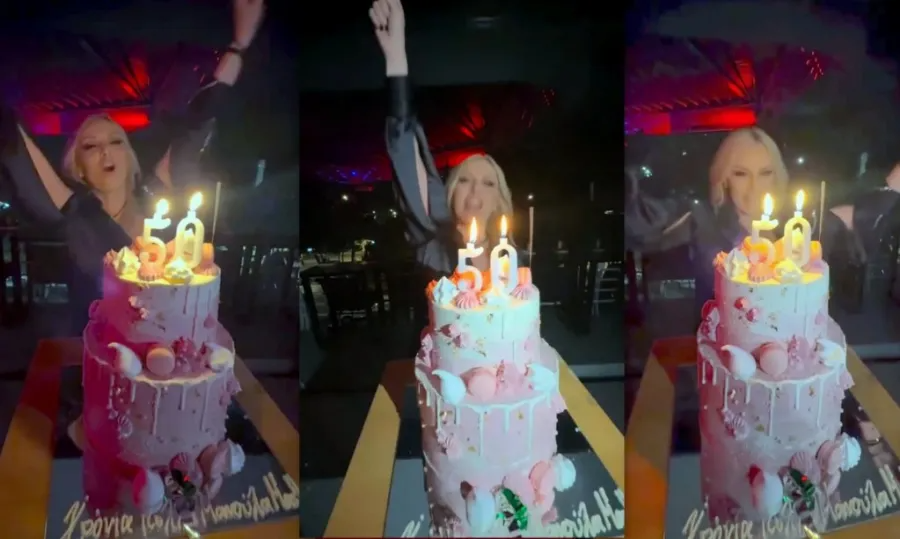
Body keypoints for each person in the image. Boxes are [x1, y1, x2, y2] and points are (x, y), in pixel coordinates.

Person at [0, 0, 265, 335]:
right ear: (78, 168)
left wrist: (238, 48)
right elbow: (15, 145)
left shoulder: (156, 193)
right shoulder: (76, 212)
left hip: (167, 346)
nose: (105, 151)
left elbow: (196, 125)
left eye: (116, 141)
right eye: (90, 146)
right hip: (96, 350)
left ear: (129, 155)